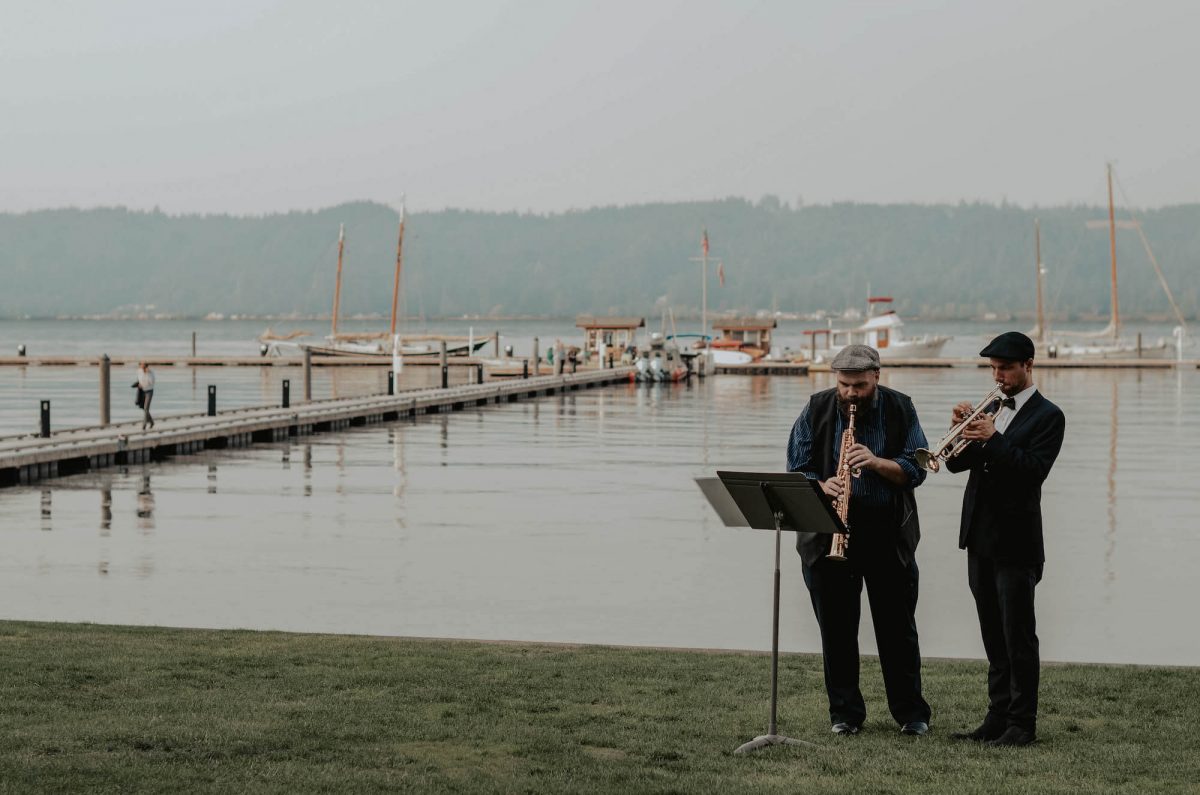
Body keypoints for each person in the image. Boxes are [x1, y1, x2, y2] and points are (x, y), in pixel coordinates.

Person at [787, 344, 932, 737]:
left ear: (876, 377)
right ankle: (845, 714)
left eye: (860, 386)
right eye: (844, 385)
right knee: (836, 632)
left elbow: (917, 468)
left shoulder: (901, 407)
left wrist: (877, 462)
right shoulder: (816, 408)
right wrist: (822, 486)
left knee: (898, 630)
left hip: (888, 535)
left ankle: (911, 714)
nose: (851, 393)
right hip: (828, 535)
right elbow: (797, 469)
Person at [946, 331, 1065, 747]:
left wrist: (993, 439)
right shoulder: (992, 410)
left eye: (1006, 368)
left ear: (1028, 365)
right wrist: (959, 431)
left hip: (1016, 543)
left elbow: (1032, 471)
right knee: (993, 635)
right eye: (994, 368)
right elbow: (956, 465)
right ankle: (996, 717)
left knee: (1018, 637)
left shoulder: (1049, 416)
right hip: (979, 538)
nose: (998, 376)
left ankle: (1022, 723)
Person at [133, 362, 155, 430]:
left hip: (149, 391)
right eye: (140, 366)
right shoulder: (139, 371)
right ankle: (151, 422)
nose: (141, 367)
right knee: (143, 407)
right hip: (141, 391)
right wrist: (138, 384)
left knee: (146, 408)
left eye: (143, 366)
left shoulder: (150, 373)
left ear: (146, 367)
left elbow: (151, 382)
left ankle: (144, 425)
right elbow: (139, 379)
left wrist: (147, 374)